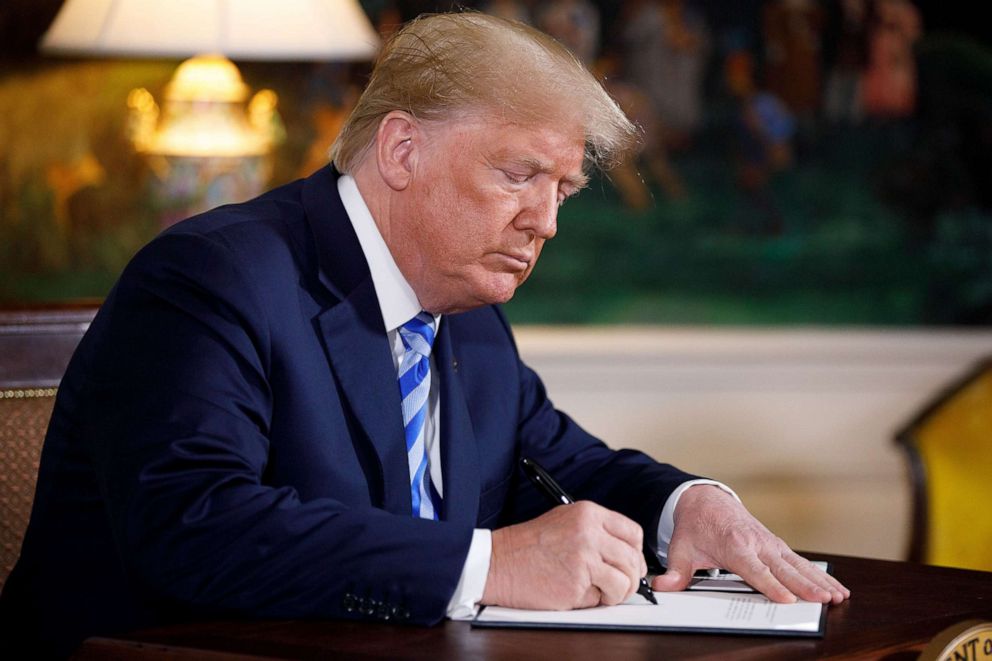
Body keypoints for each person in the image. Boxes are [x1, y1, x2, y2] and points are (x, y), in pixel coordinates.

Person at [0, 12, 848, 658]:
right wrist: (488, 566)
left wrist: (687, 507)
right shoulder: (210, 278)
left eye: (563, 191)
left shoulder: (468, 319)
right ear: (402, 150)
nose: (545, 222)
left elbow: (560, 467)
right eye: (519, 175)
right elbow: (197, 526)